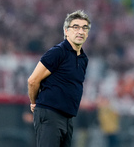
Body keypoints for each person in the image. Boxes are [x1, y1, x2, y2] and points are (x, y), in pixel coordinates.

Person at [27, 10, 91, 147]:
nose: (81, 31)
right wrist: (34, 102)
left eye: (84, 28)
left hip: (68, 117)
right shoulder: (58, 52)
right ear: (66, 31)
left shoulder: (83, 59)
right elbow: (33, 80)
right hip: (50, 114)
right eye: (76, 27)